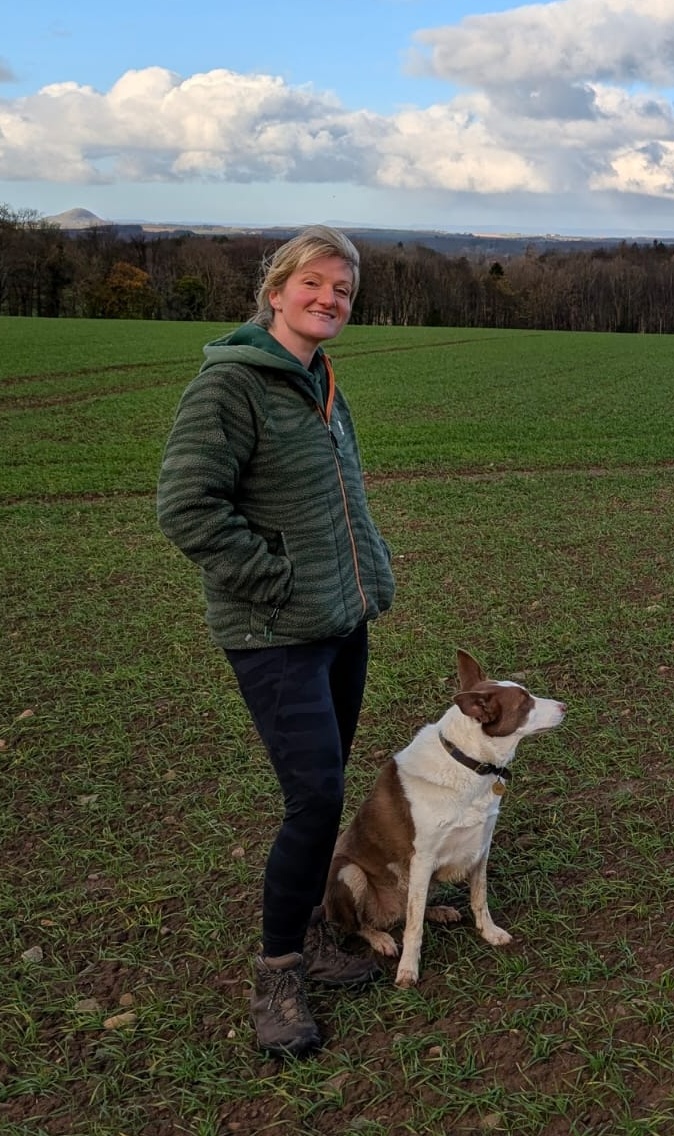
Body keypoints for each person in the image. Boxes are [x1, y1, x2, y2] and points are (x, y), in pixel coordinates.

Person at [157, 225, 395, 1057]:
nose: (329, 300)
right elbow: (187, 507)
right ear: (276, 290)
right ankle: (280, 972)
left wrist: (369, 572)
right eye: (314, 285)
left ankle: (317, 938)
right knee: (316, 799)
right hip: (275, 634)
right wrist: (277, 579)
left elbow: (343, 497)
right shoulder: (230, 387)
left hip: (340, 622)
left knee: (322, 788)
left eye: (343, 292)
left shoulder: (319, 381)